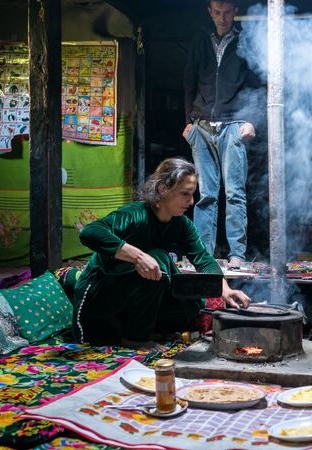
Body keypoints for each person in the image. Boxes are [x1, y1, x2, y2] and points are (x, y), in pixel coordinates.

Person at [72, 158, 251, 349]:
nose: (191, 202)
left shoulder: (181, 224)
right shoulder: (135, 214)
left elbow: (203, 259)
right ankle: (135, 339)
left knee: (192, 303)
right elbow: (89, 232)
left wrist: (225, 290)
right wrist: (138, 256)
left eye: (192, 195)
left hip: (134, 296)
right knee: (160, 258)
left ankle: (143, 329)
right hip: (99, 294)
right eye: (185, 194)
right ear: (163, 189)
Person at [182, 0, 260, 268]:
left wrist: (252, 120)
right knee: (206, 194)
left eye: (227, 13)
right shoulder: (200, 40)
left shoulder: (245, 41)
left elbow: (257, 83)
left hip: (233, 124)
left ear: (235, 11)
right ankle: (203, 254)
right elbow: (189, 81)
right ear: (209, 12)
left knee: (235, 193)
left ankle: (237, 254)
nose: (222, 18)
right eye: (217, 13)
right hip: (201, 126)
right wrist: (188, 122)